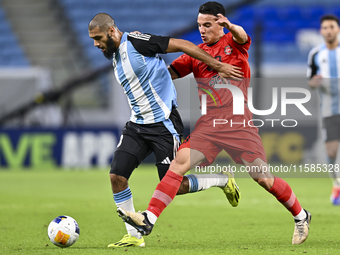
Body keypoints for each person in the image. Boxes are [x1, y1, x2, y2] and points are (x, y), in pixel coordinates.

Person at [117, 1, 311, 245]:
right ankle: (149, 218)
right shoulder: (195, 55)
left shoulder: (233, 43)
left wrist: (232, 26)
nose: (202, 29)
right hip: (209, 126)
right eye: (199, 25)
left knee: (263, 178)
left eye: (207, 25)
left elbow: (242, 36)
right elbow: (168, 75)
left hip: (239, 125)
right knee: (179, 164)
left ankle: (301, 216)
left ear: (221, 23)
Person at [88, 12, 243, 248]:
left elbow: (183, 44)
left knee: (175, 185)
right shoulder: (115, 56)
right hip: (137, 125)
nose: (96, 44)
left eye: (98, 38)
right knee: (116, 177)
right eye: (93, 40)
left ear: (111, 31)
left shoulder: (137, 42)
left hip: (163, 124)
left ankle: (221, 180)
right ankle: (133, 235)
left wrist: (217, 65)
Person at [307, 14, 340, 205]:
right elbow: (310, 80)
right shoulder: (316, 54)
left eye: (332, 27)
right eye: (325, 28)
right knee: (331, 151)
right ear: (321, 31)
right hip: (329, 109)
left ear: (338, 29)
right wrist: (314, 82)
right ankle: (336, 184)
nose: (328, 31)